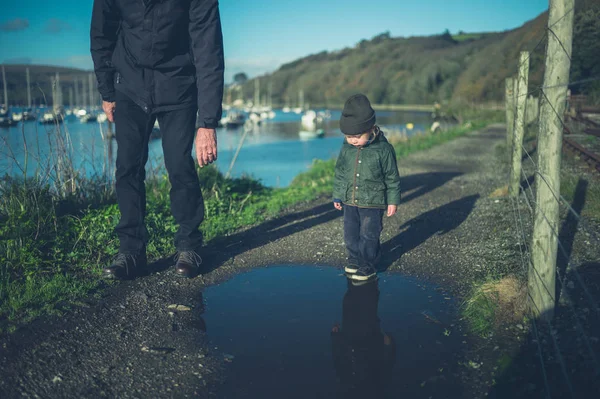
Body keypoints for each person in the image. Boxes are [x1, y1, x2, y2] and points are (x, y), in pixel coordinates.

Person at [90, 0, 224, 279]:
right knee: (128, 167)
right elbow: (102, 33)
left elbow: (208, 49)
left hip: (179, 86)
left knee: (178, 164)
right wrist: (107, 91)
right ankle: (131, 252)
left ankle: (189, 246)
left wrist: (207, 123)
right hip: (129, 85)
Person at [333, 94, 401, 281]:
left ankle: (368, 264)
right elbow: (340, 172)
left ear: (371, 129)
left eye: (357, 136)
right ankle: (354, 258)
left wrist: (392, 201)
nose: (353, 140)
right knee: (350, 233)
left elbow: (392, 178)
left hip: (373, 201)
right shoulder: (346, 149)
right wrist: (338, 195)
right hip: (350, 200)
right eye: (348, 137)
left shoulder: (384, 150)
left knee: (369, 234)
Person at [331, 276, 396, 398]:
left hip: (350, 341)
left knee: (349, 304)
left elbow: (338, 363)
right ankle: (370, 279)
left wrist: (335, 337)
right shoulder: (375, 390)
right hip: (369, 342)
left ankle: (353, 279)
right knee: (368, 310)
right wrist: (389, 346)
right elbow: (385, 370)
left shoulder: (346, 387)